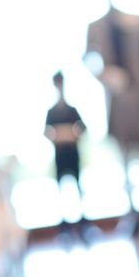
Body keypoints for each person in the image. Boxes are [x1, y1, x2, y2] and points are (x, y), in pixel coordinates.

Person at [86, 0, 139, 234]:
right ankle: (132, 214)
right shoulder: (95, 27)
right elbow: (89, 59)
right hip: (117, 101)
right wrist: (105, 76)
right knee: (125, 162)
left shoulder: (135, 22)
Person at [44, 71, 86, 232]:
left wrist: (73, 134)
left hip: (72, 152)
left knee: (78, 185)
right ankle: (65, 226)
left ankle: (82, 222)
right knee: (61, 187)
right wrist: (57, 136)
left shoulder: (72, 110)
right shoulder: (51, 112)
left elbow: (83, 128)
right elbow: (46, 132)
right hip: (60, 154)